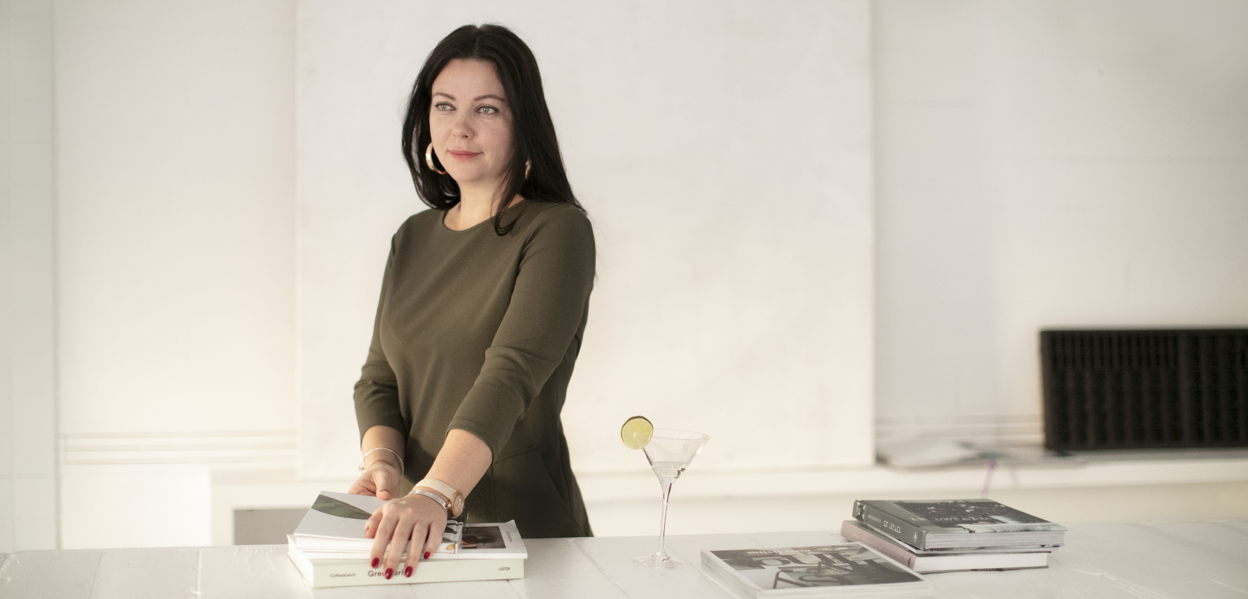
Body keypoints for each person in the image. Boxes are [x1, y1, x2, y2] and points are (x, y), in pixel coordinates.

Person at [347, 24, 595, 580]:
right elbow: (378, 379)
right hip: (412, 532)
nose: (460, 126)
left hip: (521, 533)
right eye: (445, 105)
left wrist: (435, 492)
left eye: (486, 109)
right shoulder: (412, 237)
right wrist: (383, 464)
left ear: (523, 123)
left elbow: (510, 375)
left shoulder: (557, 230)